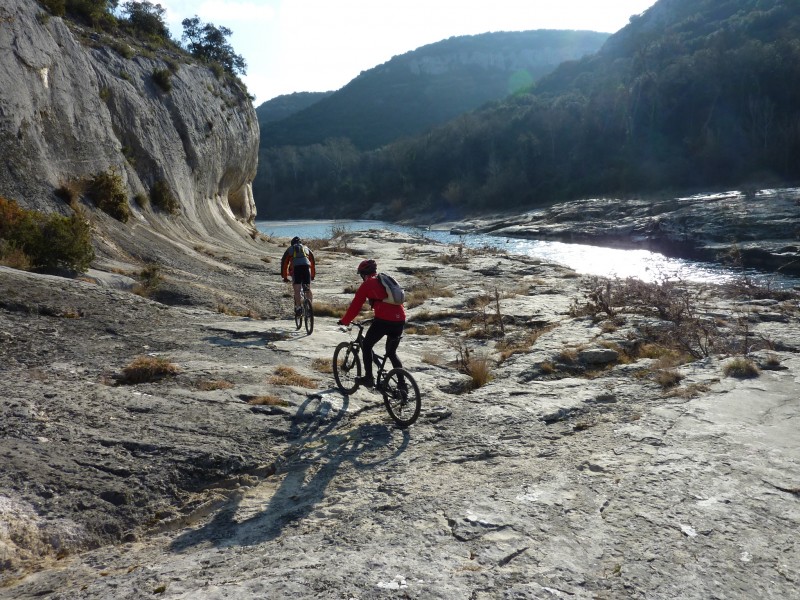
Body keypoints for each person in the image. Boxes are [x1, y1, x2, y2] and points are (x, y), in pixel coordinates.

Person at [337, 259, 406, 388]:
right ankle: (402, 385)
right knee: (391, 353)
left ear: (364, 274)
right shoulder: (385, 279)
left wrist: (345, 321)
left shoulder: (368, 284)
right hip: (400, 319)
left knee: (367, 346)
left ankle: (369, 378)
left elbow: (356, 306)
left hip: (384, 320)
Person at [281, 236, 316, 315]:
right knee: (307, 289)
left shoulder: (290, 249)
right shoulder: (306, 248)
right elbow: (313, 263)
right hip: (306, 269)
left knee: (297, 290)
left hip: (296, 270)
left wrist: (285, 277)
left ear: (292, 244)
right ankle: (309, 309)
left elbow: (284, 264)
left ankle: (298, 308)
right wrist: (313, 275)